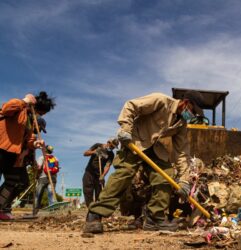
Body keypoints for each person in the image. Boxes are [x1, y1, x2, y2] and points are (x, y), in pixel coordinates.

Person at [83, 91, 204, 234]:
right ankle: (95, 215)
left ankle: (155, 218)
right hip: (135, 141)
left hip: (155, 149)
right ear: (185, 102)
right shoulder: (161, 101)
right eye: (192, 110)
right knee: (125, 173)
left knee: (166, 176)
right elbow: (131, 106)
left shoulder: (181, 124)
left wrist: (184, 180)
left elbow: (182, 153)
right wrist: (126, 129)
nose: (191, 115)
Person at [0, 92, 55, 220]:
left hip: (11, 153)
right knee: (15, 179)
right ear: (36, 108)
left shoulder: (30, 121)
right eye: (41, 113)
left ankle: (2, 207)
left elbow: (28, 140)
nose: (40, 116)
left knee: (15, 180)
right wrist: (24, 101)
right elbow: (6, 108)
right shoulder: (20, 108)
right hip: (2, 147)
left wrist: (35, 143)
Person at [82, 138, 118, 207]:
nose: (112, 148)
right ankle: (90, 208)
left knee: (100, 194)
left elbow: (107, 166)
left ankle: (98, 210)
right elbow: (85, 153)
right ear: (108, 142)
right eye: (112, 146)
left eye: (114, 147)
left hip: (99, 175)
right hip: (89, 172)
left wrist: (103, 175)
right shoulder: (98, 145)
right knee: (88, 192)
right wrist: (94, 152)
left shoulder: (111, 154)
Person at [34, 145, 59, 213]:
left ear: (45, 150)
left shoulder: (42, 157)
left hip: (42, 178)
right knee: (51, 195)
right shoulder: (55, 158)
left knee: (38, 195)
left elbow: (39, 168)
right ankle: (53, 211)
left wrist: (36, 176)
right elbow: (57, 168)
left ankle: (35, 211)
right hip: (53, 178)